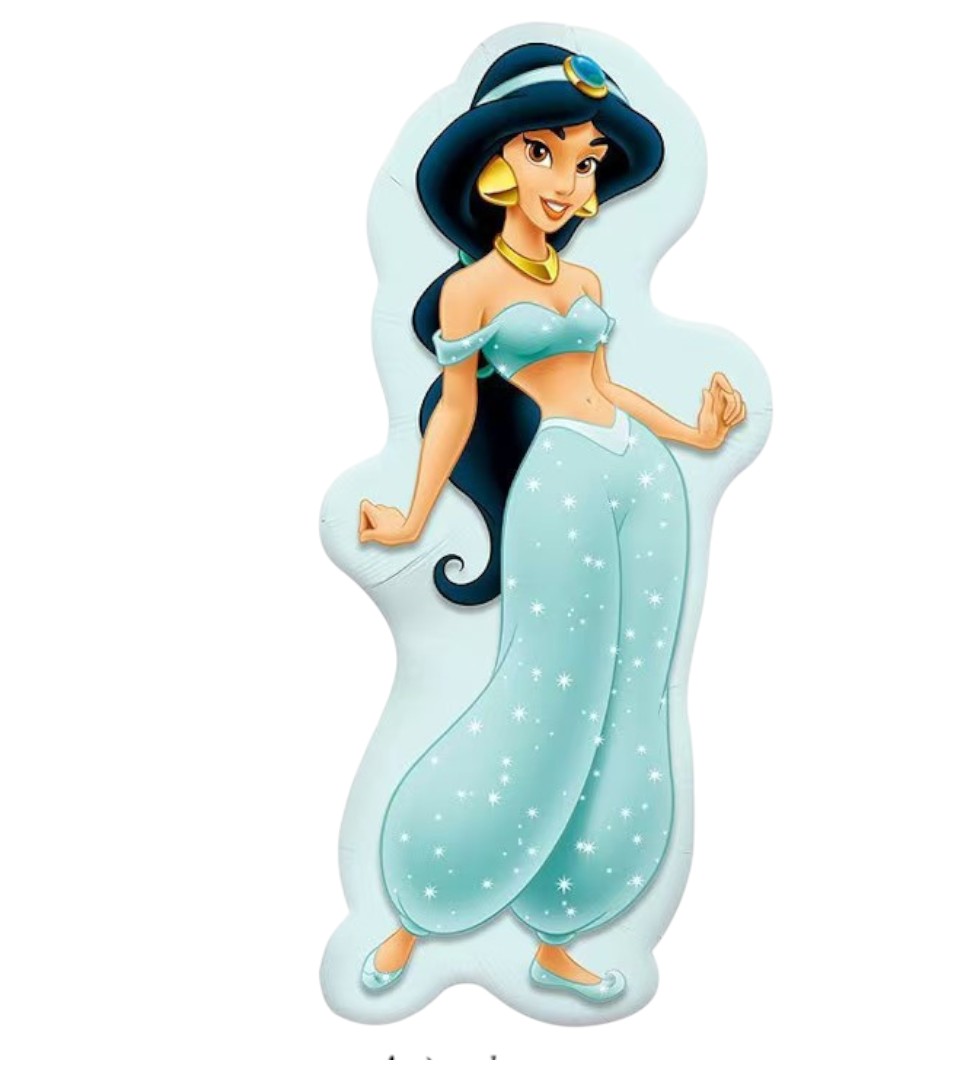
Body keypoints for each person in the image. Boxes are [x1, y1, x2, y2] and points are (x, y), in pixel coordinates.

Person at [356, 43, 746, 1003]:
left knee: (632, 692)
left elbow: (608, 387)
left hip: (645, 477)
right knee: (547, 688)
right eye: (546, 153)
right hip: (560, 481)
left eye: (586, 161)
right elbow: (455, 410)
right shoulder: (471, 291)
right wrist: (412, 515)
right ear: (497, 166)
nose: (570, 182)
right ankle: (420, 909)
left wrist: (695, 432)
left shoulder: (587, 287)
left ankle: (565, 927)